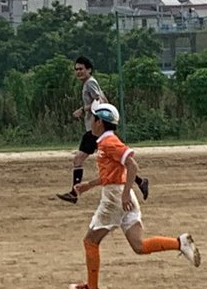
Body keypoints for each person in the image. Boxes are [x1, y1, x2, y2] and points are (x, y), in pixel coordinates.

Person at [67, 100, 199, 289]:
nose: (91, 122)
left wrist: (126, 193)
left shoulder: (109, 142)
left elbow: (132, 165)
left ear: (99, 122)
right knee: (139, 246)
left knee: (90, 241)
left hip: (115, 198)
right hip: (121, 195)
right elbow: (112, 174)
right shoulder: (105, 142)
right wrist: (89, 185)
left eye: (93, 118)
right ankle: (180, 243)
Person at [55, 56, 149, 204]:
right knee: (116, 159)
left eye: (81, 69)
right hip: (94, 128)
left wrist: (83, 110)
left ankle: (74, 193)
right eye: (76, 69)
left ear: (89, 70)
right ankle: (141, 181)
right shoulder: (89, 83)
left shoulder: (90, 83)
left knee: (78, 159)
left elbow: (100, 100)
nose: (78, 72)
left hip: (94, 129)